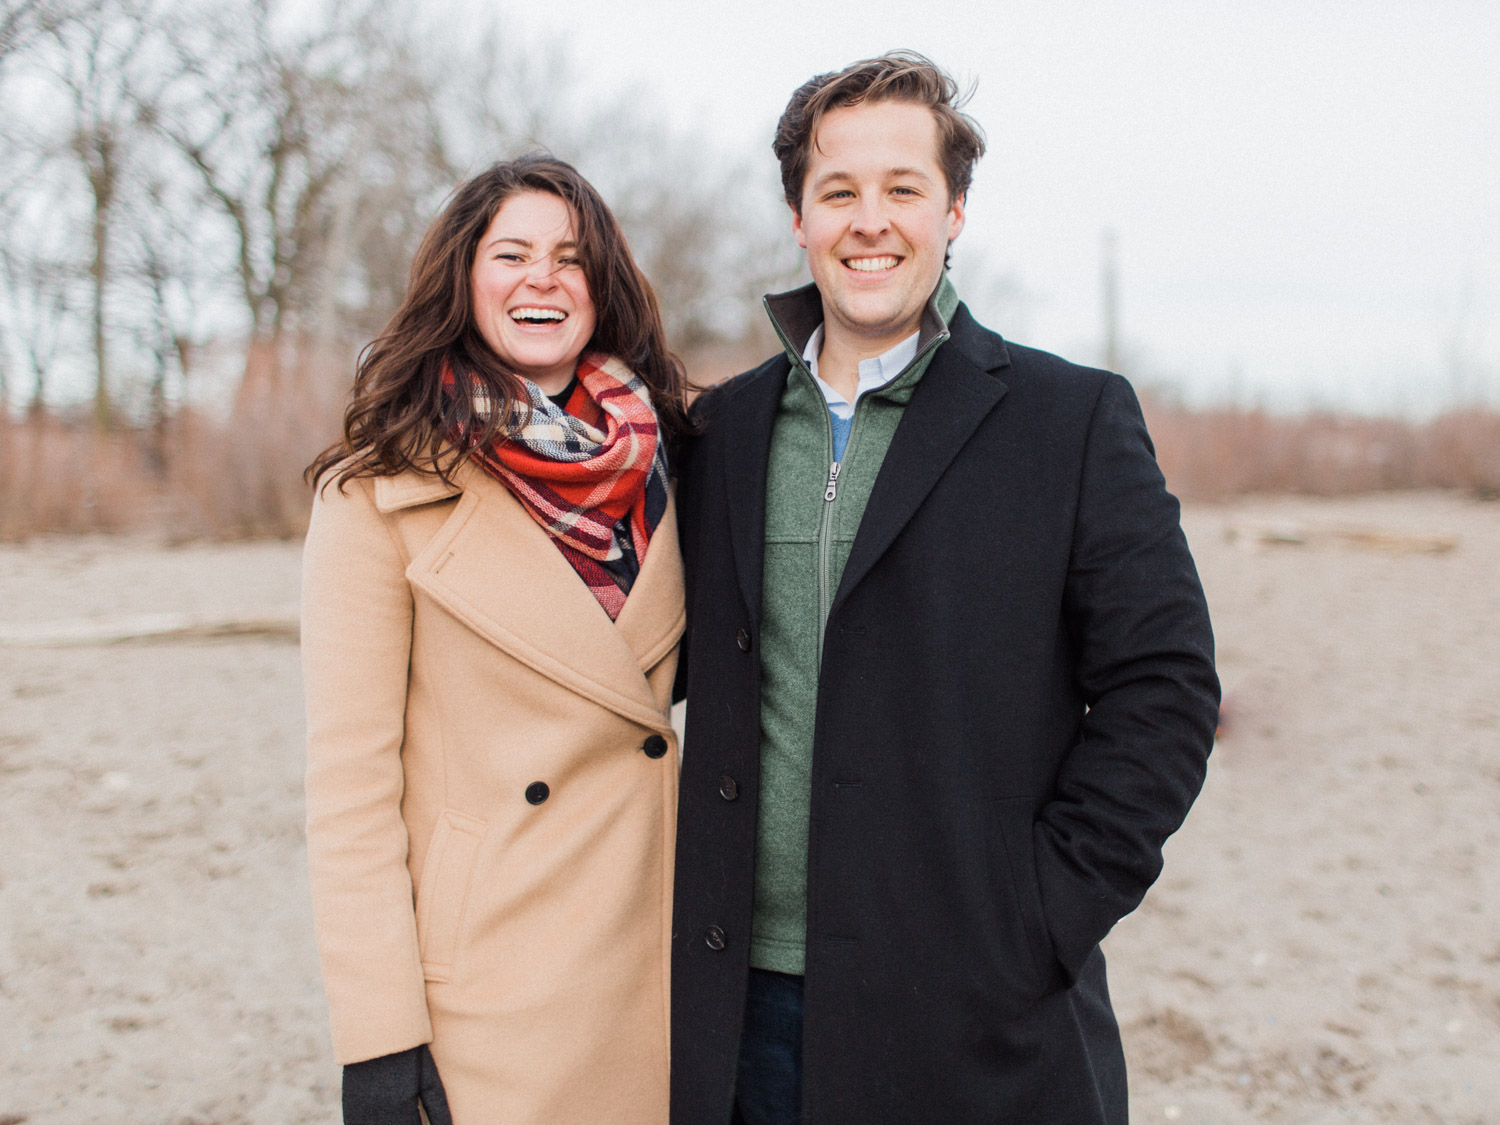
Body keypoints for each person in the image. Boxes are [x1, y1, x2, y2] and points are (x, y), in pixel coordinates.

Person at [670, 52, 1220, 1124]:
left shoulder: (1072, 420)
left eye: (902, 189)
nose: (870, 220)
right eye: (839, 192)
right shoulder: (720, 432)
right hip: (745, 1015)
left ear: (953, 210)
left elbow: (1165, 692)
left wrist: (1040, 919)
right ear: (798, 219)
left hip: (979, 1013)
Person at [300, 155, 691, 1124]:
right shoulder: (377, 494)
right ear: (463, 280)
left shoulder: (682, 465)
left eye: (569, 258)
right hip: (490, 980)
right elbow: (350, 793)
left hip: (668, 964)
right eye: (509, 253)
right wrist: (379, 1038)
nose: (541, 279)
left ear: (602, 285)